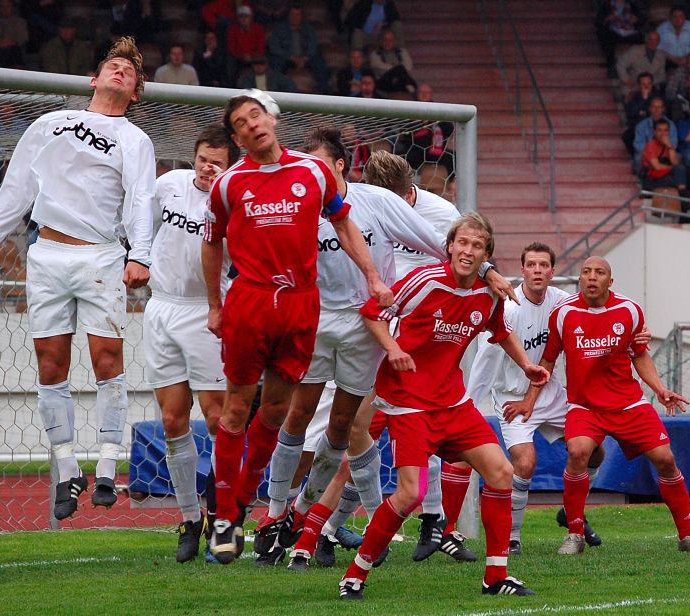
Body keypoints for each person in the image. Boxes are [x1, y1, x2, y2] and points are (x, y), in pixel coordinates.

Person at [0, 37, 155, 520]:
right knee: (50, 364)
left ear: (135, 92)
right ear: (93, 79)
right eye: (112, 65)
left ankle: (107, 465)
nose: (119, 72)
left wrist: (140, 254)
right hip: (46, 255)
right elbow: (18, 183)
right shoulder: (49, 123)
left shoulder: (135, 139)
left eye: (129, 72)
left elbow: (139, 198)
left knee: (107, 359)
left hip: (101, 256)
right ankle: (68, 470)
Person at [201, 89, 393, 565]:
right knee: (236, 408)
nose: (252, 124)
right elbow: (211, 242)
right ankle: (225, 516)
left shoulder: (313, 172)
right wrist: (215, 305)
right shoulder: (228, 184)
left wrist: (372, 276)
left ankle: (243, 501)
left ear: (271, 119)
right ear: (237, 138)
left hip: (302, 305)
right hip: (250, 301)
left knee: (275, 410)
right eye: (241, 123)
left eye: (256, 115)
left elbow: (343, 223)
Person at [254, 127, 448, 568]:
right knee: (298, 415)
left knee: (346, 426)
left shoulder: (375, 202)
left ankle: (303, 513)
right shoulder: (297, 208)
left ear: (341, 165)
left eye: (321, 164)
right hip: (314, 320)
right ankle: (275, 513)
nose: (311, 173)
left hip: (367, 325)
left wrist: (486, 269)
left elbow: (437, 244)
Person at [338, 212, 549, 600]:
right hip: (408, 404)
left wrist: (526, 365)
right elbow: (372, 313)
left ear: (486, 255)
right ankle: (355, 575)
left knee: (501, 472)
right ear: (449, 247)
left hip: (453, 403)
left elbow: (500, 331)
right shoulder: (425, 281)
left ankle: (496, 576)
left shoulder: (487, 295)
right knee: (410, 495)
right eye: (462, 243)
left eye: (477, 246)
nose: (467, 251)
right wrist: (393, 348)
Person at [514, 256, 690, 556]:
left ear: (610, 281)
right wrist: (529, 401)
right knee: (577, 452)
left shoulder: (629, 310)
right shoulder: (563, 313)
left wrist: (660, 389)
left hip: (628, 404)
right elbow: (548, 361)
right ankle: (574, 535)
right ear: (580, 279)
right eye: (586, 272)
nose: (592, 277)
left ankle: (688, 535)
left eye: (599, 272)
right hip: (585, 407)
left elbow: (639, 354)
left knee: (666, 459)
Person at [468, 244, 608, 555]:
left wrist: (638, 330)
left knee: (595, 452)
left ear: (552, 272)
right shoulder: (508, 308)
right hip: (512, 396)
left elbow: (599, 303)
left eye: (543, 265)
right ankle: (513, 537)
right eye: (531, 265)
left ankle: (571, 512)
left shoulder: (560, 301)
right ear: (522, 271)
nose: (537, 270)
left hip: (550, 392)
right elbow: (485, 359)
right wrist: (471, 403)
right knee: (525, 463)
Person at [145, 125, 239, 563]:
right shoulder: (168, 185)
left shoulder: (235, 200)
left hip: (207, 312)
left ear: (230, 165)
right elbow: (142, 230)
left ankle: (222, 516)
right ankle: (188, 518)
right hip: (162, 307)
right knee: (170, 419)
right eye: (203, 159)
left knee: (218, 419)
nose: (207, 168)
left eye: (217, 162)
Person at [268, 5, 329, 94]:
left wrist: (305, 58)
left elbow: (313, 45)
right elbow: (274, 46)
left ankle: (323, 93)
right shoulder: (279, 28)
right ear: (288, 15)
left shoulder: (308, 28)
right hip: (286, 58)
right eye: (292, 14)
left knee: (320, 64)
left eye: (297, 14)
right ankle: (276, 92)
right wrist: (291, 57)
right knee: (275, 62)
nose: (295, 17)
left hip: (306, 58)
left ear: (301, 16)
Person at [616, 30, 667, 98]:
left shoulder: (661, 55)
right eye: (650, 39)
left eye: (656, 40)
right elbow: (620, 65)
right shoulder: (635, 50)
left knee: (657, 99)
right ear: (646, 40)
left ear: (659, 42)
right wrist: (626, 79)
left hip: (652, 85)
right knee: (629, 95)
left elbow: (662, 75)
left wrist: (648, 84)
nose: (653, 42)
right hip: (633, 83)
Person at [640, 119, 686, 192]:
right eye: (660, 130)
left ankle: (683, 193)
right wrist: (671, 168)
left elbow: (675, 163)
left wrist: (670, 146)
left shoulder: (668, 144)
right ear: (654, 132)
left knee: (682, 172)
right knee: (675, 178)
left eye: (666, 130)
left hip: (664, 174)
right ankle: (683, 193)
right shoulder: (650, 146)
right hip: (652, 178)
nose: (663, 133)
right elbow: (657, 167)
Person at [633, 96, 677, 171]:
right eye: (654, 107)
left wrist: (663, 148)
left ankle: (668, 174)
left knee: (678, 156)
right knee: (638, 157)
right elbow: (638, 145)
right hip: (648, 153)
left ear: (663, 109)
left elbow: (674, 144)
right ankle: (643, 176)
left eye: (659, 107)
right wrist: (653, 151)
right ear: (650, 108)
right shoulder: (641, 125)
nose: (657, 109)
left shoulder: (671, 124)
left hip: (665, 153)